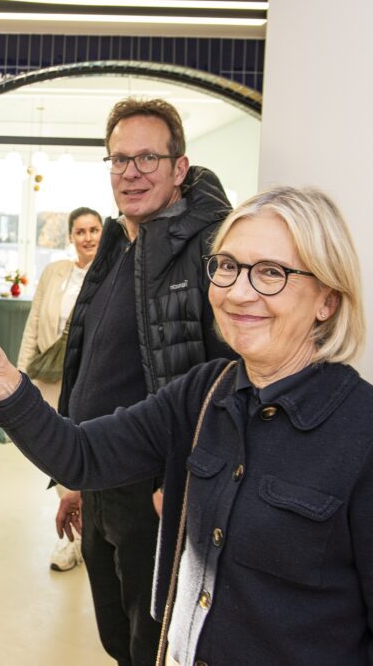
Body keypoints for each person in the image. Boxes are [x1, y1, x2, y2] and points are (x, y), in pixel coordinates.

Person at [0, 186, 373, 665]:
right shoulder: (203, 393)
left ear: (327, 299)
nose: (238, 292)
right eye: (227, 265)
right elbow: (80, 456)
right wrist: (1, 378)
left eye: (270, 273)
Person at [55, 97, 234, 665]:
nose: (130, 173)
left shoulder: (211, 252)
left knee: (152, 642)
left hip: (155, 491)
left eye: (147, 159)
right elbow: (91, 366)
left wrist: (184, 482)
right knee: (115, 636)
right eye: (119, 160)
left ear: (180, 168)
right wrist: (73, 472)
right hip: (100, 482)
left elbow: (228, 378)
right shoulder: (115, 246)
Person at [17, 206, 102, 573]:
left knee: (89, 454)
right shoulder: (54, 273)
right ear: (70, 237)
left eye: (95, 230)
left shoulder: (114, 273)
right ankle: (75, 535)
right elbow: (34, 323)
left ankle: (82, 538)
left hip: (94, 380)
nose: (88, 237)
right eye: (80, 231)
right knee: (56, 453)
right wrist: (20, 375)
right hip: (53, 378)